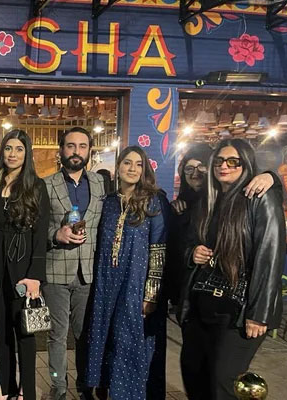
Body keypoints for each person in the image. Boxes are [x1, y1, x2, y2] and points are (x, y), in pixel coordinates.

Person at [180, 138, 286, 399]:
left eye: (232, 161)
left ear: (246, 164)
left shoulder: (259, 196)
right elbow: (188, 242)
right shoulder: (209, 199)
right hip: (202, 302)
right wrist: (192, 253)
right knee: (194, 373)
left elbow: (269, 256)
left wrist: (258, 313)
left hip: (238, 309)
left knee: (224, 380)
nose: (224, 166)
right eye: (218, 161)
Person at [84, 146, 170, 400]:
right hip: (105, 285)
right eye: (127, 163)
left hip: (135, 287)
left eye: (138, 164)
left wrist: (150, 296)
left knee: (129, 344)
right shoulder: (109, 203)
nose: (132, 168)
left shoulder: (154, 201)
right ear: (118, 167)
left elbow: (159, 250)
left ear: (145, 169)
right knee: (104, 338)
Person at [166, 144, 279, 319]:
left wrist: (272, 178)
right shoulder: (186, 202)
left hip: (233, 294)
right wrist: (192, 252)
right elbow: (179, 246)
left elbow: (268, 257)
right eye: (189, 169)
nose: (195, 173)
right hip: (194, 289)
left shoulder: (230, 197)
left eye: (201, 167)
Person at [42, 127, 106, 400]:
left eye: (82, 146)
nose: (76, 151)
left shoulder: (102, 184)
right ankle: (58, 386)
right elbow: (36, 228)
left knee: (85, 334)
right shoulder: (46, 184)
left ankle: (85, 386)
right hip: (55, 270)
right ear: (61, 150)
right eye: (70, 146)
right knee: (57, 335)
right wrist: (55, 235)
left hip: (89, 273)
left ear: (89, 150)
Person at [0, 129, 50, 400]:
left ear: (27, 154)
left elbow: (41, 232)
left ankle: (27, 390)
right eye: (9, 148)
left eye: (19, 149)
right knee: (2, 332)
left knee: (25, 332)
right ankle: (5, 386)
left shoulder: (36, 185)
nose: (13, 154)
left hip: (24, 266)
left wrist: (35, 275)